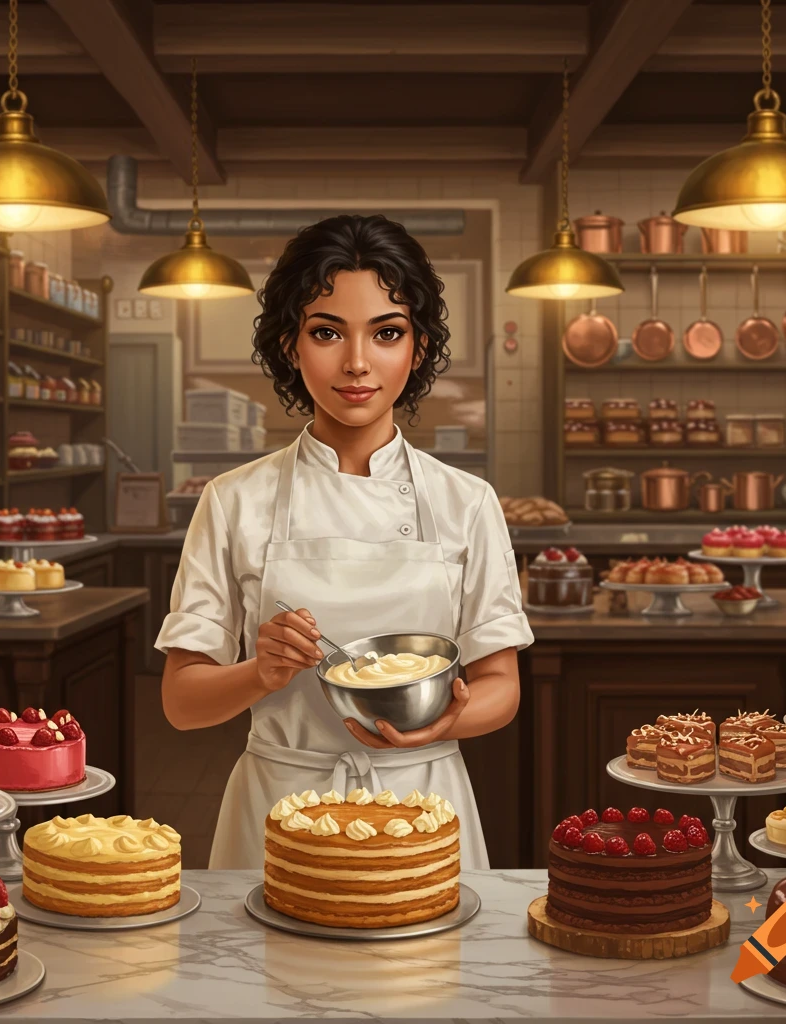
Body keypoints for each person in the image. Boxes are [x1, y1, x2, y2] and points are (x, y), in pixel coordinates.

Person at [157, 214, 533, 868]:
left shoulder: (466, 502)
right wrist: (259, 673)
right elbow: (182, 703)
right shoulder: (233, 500)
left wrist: (444, 724)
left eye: (386, 333)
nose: (357, 363)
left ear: (416, 350)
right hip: (279, 809)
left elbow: (502, 684)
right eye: (327, 332)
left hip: (425, 803)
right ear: (290, 346)